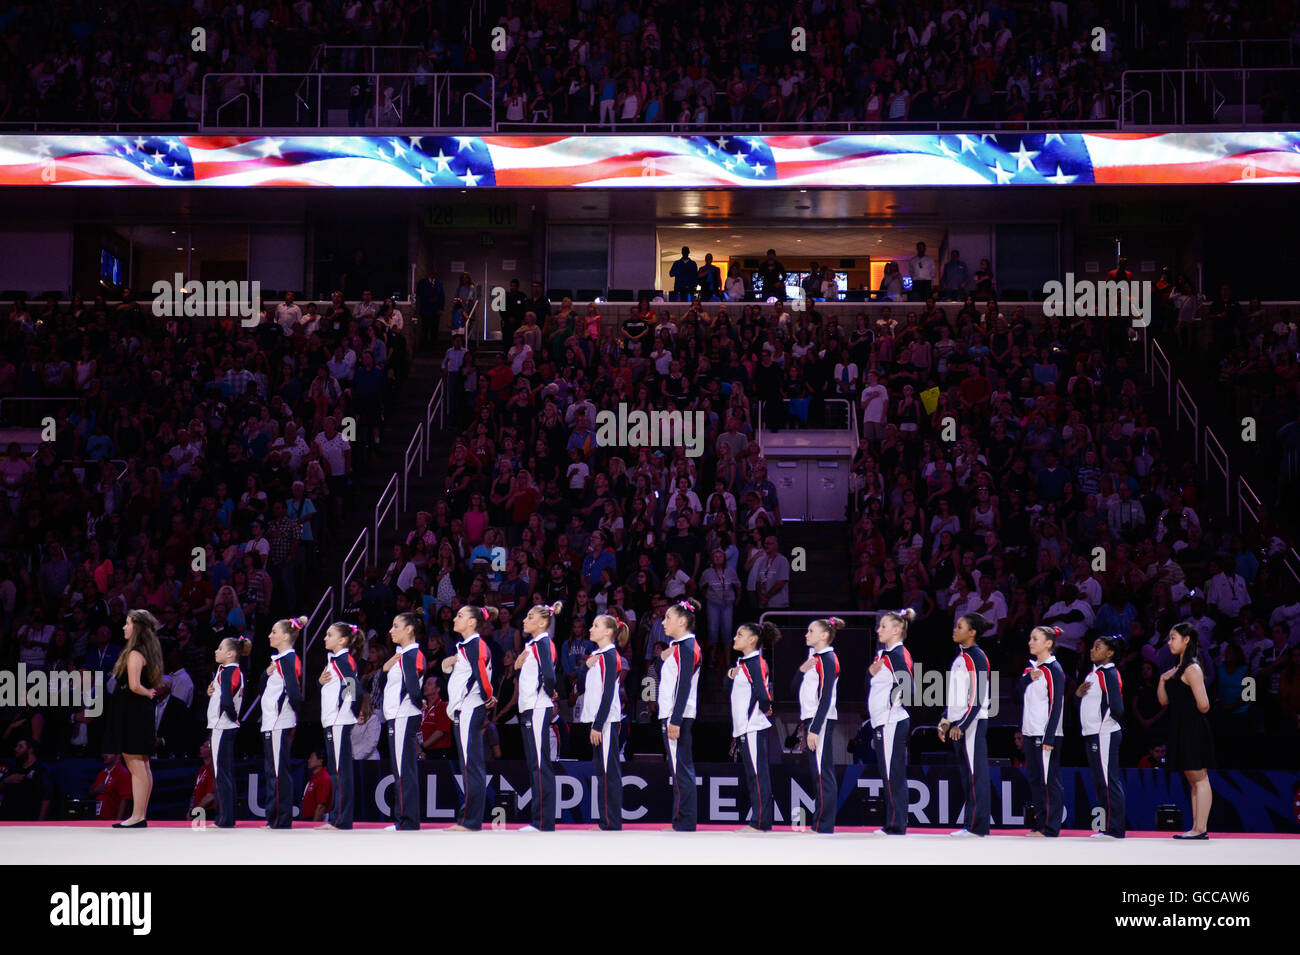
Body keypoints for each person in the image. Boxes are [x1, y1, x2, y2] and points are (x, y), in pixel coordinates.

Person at [100, 608, 164, 828]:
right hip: (140, 711)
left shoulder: (135, 652)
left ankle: (137, 816)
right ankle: (140, 815)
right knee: (143, 764)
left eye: (127, 623)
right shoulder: (147, 651)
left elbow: (135, 685)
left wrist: (147, 692)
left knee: (136, 763)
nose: (124, 627)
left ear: (136, 627)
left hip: (133, 711)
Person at [442, 605, 498, 831]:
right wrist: (450, 662)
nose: (455, 618)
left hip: (470, 709)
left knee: (471, 766)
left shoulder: (475, 644)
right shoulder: (467, 646)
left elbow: (482, 675)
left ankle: (470, 820)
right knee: (468, 764)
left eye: (460, 616)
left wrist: (487, 697)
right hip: (465, 709)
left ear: (472, 623)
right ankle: (469, 819)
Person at [1158, 621, 1215, 839]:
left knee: (1199, 778)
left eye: (1173, 637)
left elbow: (1205, 705)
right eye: (1170, 637)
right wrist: (1163, 680)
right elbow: (1163, 701)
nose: (1170, 642)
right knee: (1193, 779)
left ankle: (1201, 829)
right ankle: (1196, 828)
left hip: (1192, 727)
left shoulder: (1192, 668)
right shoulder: (1175, 670)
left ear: (1186, 639)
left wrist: (1186, 703)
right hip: (1180, 726)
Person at [939, 612, 993, 837]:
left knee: (975, 774)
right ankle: (970, 824)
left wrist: (962, 724)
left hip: (972, 724)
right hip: (959, 723)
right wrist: (945, 719)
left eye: (960, 627)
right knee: (966, 775)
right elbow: (956, 696)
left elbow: (977, 696)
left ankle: (977, 826)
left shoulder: (977, 657)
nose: (955, 629)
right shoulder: (960, 658)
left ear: (972, 632)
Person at [727, 621, 779, 831]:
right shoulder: (745, 663)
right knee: (753, 774)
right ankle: (759, 820)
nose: (735, 638)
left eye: (740, 634)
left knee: (758, 774)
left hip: (752, 727)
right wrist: (731, 673)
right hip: (745, 727)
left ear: (752, 640)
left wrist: (766, 708)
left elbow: (763, 693)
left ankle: (760, 822)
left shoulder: (755, 663)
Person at [515, 601, 561, 831]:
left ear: (543, 622)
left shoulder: (543, 641)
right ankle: (539, 819)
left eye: (531, 617)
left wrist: (545, 693)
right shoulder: (533, 644)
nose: (525, 620)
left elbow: (550, 675)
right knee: (535, 763)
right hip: (530, 707)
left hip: (536, 707)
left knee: (541, 764)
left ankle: (543, 821)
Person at [869, 609, 916, 835]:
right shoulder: (885, 655)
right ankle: (893, 822)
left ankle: (896, 825)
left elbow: (909, 687)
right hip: (883, 721)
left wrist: (892, 700)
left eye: (884, 626)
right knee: (888, 773)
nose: (879, 629)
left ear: (897, 630)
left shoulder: (897, 654)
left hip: (892, 721)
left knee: (893, 774)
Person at [658, 597, 702, 831]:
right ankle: (680, 820)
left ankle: (684, 822)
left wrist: (675, 719)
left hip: (678, 715)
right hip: (673, 713)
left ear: (683, 621)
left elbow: (683, 685)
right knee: (677, 768)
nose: (663, 622)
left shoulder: (686, 648)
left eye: (668, 618)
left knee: (681, 768)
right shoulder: (679, 648)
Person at [796, 616, 842, 834]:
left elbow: (826, 698)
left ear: (824, 635)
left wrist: (814, 728)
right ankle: (819, 823)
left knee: (823, 772)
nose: (806, 634)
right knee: (817, 772)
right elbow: (793, 686)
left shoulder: (828, 659)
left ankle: (824, 825)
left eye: (811, 631)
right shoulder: (814, 657)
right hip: (811, 718)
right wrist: (802, 669)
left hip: (820, 720)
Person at [259, 616, 306, 829]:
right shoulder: (278, 661)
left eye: (274, 631)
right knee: (272, 771)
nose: (270, 635)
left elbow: (295, 693)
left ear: (286, 636)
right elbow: (264, 690)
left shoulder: (288, 659)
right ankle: (274, 817)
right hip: (272, 721)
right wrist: (265, 674)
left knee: (278, 771)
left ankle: (280, 818)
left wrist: (290, 715)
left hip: (279, 721)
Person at [1019, 625, 1067, 837]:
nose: (1030, 642)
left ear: (1048, 643)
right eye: (1030, 638)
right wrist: (1028, 678)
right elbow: (1015, 696)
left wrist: (1049, 736)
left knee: (1049, 781)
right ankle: (1039, 824)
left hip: (1046, 733)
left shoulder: (1054, 669)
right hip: (1030, 732)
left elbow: (1057, 704)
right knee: (1035, 780)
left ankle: (1050, 827)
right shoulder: (1030, 670)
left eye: (1035, 639)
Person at [1079, 634, 1127, 838]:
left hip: (1103, 734)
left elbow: (1117, 707)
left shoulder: (1108, 673)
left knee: (1109, 781)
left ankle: (1115, 829)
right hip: (1092, 733)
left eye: (1097, 647)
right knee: (1100, 781)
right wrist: (1078, 696)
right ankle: (1104, 827)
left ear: (1110, 653)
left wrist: (1105, 726)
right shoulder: (1093, 673)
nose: (1092, 650)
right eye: (1092, 646)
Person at [382, 612, 426, 831]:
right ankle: (404, 819)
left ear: (409, 629)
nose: (391, 630)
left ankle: (406, 821)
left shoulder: (410, 654)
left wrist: (417, 704)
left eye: (396, 626)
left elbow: (413, 687)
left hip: (403, 715)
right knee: (401, 767)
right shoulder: (402, 655)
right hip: (398, 715)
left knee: (403, 768)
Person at [583, 614, 627, 830]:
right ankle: (605, 821)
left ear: (608, 632)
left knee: (609, 772)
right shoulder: (599, 655)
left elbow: (608, 693)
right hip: (598, 720)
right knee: (601, 771)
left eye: (596, 625)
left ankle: (611, 822)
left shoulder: (610, 655)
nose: (591, 628)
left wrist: (598, 724)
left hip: (606, 722)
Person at [319, 622, 362, 829]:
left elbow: (354, 686)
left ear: (342, 640)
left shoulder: (342, 659)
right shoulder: (335, 660)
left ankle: (340, 819)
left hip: (338, 721)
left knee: (340, 771)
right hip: (334, 720)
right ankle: (338, 816)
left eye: (329, 635)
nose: (325, 638)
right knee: (337, 770)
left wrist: (347, 711)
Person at [206, 634, 250, 828]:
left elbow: (226, 701)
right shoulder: (233, 671)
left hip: (222, 726)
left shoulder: (227, 671)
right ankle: (227, 817)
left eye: (220, 648)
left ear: (231, 654)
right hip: (226, 726)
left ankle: (223, 818)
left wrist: (232, 717)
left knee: (220, 774)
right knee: (225, 772)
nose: (216, 651)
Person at [90, 752, 132, 821]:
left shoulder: (122, 773)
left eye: (109, 753)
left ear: (118, 756)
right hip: (99, 821)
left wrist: (117, 822)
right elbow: (91, 792)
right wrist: (95, 791)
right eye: (104, 752)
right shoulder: (102, 773)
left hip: (112, 822)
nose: (105, 755)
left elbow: (125, 800)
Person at [300, 750, 333, 823]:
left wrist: (314, 825)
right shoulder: (314, 778)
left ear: (320, 761)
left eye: (311, 758)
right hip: (307, 819)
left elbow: (321, 806)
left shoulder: (323, 778)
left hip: (314, 820)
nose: (308, 760)